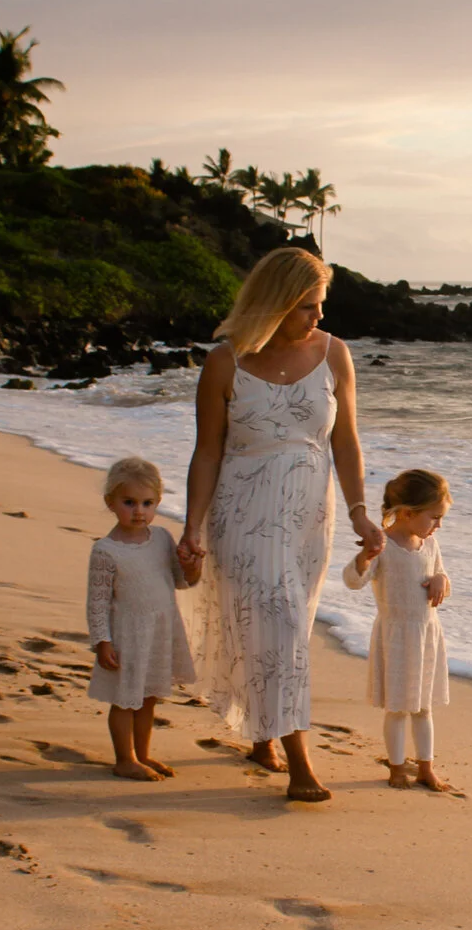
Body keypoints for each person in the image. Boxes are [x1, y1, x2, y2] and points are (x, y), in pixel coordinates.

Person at [179, 247, 383, 803]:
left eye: (320, 305)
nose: (317, 317)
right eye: (306, 307)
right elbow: (207, 454)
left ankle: (263, 732)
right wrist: (192, 527)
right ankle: (299, 761)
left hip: (311, 520)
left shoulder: (335, 354)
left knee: (278, 627)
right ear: (274, 304)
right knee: (282, 625)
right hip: (243, 515)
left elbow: (345, 440)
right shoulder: (225, 363)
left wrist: (361, 510)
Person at [85, 456, 197, 782]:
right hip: (126, 637)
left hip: (159, 633)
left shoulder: (162, 538)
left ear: (158, 503)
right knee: (125, 699)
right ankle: (124, 759)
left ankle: (142, 754)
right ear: (111, 503)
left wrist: (194, 564)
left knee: (147, 698)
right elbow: (97, 602)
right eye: (129, 502)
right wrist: (102, 642)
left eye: (147, 503)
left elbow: (181, 580)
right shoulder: (106, 551)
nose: (139, 511)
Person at [343, 468, 453, 791]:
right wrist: (364, 557)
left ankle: (426, 767)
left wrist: (441, 580)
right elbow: (353, 581)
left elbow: (443, 578)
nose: (438, 526)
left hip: (427, 635)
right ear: (407, 513)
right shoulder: (383, 546)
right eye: (434, 517)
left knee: (423, 707)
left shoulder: (429, 545)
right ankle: (395, 767)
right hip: (396, 637)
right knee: (397, 708)